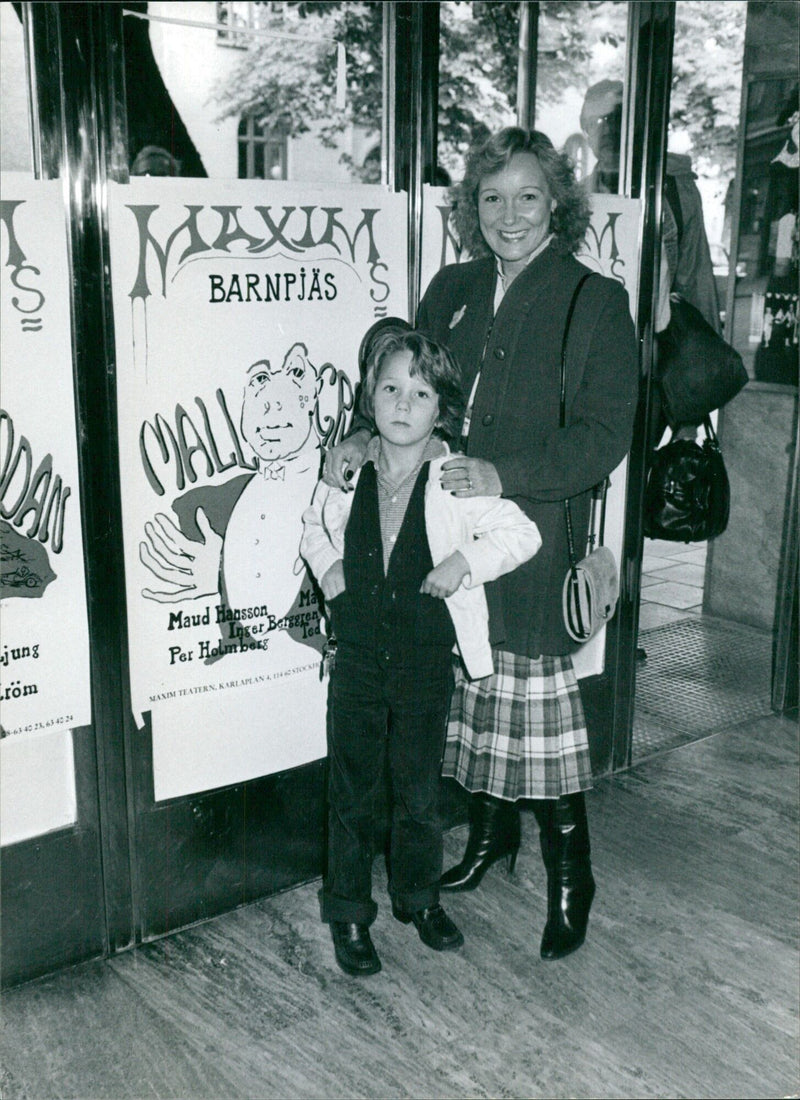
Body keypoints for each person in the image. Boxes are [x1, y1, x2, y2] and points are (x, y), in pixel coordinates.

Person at [323, 128, 638, 961]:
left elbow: (606, 435)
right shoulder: (453, 288)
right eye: (491, 197)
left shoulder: (593, 299)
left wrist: (506, 473)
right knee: (470, 705)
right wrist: (360, 436)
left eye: (528, 196)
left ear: (557, 204)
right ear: (472, 206)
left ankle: (574, 875)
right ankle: (492, 841)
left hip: (528, 546)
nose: (509, 214)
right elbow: (409, 384)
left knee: (536, 722)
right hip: (445, 544)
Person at [301, 325, 541, 976]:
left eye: (421, 392)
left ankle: (417, 898)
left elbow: (522, 535)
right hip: (356, 655)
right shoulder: (347, 466)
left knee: (415, 791)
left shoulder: (455, 477)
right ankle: (349, 913)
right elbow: (314, 529)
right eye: (391, 389)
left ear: (443, 407)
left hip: (422, 657)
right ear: (369, 399)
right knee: (351, 790)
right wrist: (332, 578)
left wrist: (463, 560)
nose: (404, 404)